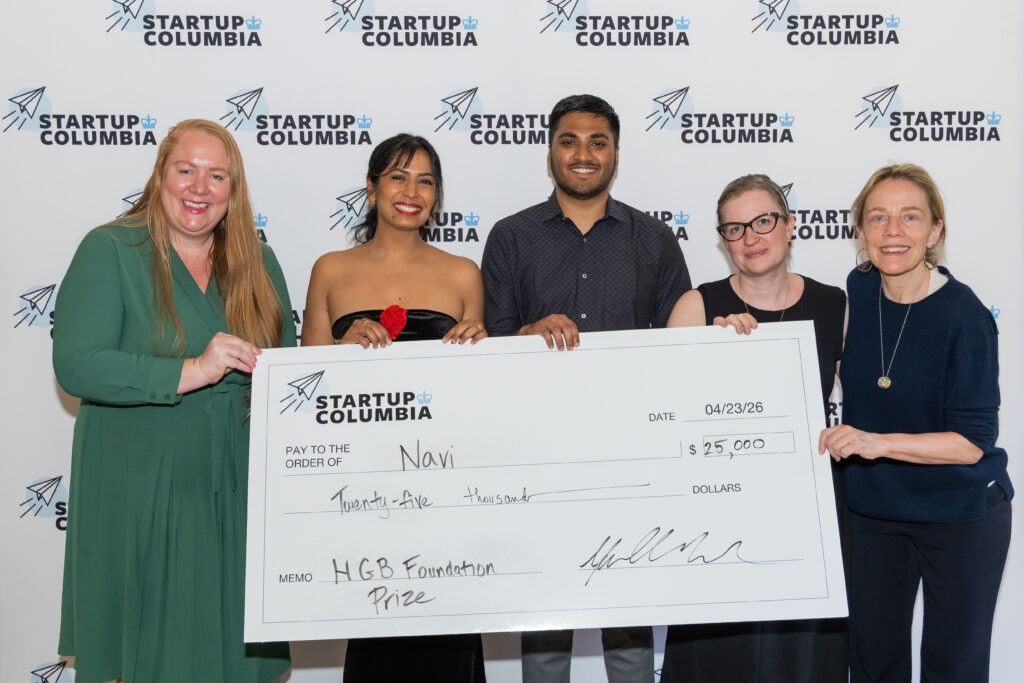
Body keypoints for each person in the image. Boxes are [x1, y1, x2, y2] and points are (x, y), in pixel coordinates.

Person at [53, 119, 294, 683]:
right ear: (160, 175)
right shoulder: (111, 249)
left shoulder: (259, 263)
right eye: (186, 170)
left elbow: (286, 373)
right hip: (138, 486)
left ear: (234, 192)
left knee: (234, 660)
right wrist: (192, 369)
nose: (199, 188)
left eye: (217, 176)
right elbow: (77, 364)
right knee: (146, 657)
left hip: (235, 493)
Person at [481, 94, 690, 683]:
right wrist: (526, 332)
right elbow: (489, 346)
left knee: (628, 622)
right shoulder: (510, 237)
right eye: (569, 140)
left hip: (632, 456)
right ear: (550, 152)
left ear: (616, 154)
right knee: (545, 623)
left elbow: (684, 345)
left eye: (597, 142)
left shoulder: (653, 240)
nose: (583, 154)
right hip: (536, 454)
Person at [302, 133, 487, 682]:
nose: (412, 191)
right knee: (376, 635)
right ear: (372, 187)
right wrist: (338, 351)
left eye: (426, 180)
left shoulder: (463, 274)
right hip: (362, 490)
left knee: (449, 641)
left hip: (443, 490)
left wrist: (482, 351)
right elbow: (304, 390)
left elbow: (480, 399)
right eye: (399, 177)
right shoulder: (331, 269)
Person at [818, 164, 1012, 683]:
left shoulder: (966, 316)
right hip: (875, 508)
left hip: (960, 512)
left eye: (910, 217)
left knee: (953, 667)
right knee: (873, 663)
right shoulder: (856, 291)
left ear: (935, 230)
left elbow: (972, 443)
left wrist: (876, 443)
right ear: (859, 231)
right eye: (877, 217)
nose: (892, 231)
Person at [660, 174, 849, 683]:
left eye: (764, 221)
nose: (751, 237)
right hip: (717, 523)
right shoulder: (697, 306)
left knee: (802, 663)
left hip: (808, 521)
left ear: (790, 226)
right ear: (723, 242)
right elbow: (664, 419)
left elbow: (856, 408)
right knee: (719, 661)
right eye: (735, 229)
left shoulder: (836, 304)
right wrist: (715, 360)